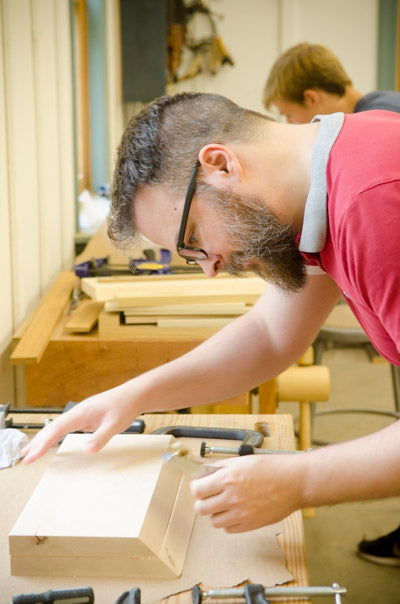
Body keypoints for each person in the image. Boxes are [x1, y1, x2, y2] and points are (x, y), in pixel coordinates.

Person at [22, 93, 400, 550]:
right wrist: (134, 396)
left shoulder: (371, 203)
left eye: (194, 238)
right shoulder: (319, 183)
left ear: (221, 165)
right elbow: (270, 334)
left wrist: (300, 480)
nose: (209, 267)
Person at [264, 43, 400, 567]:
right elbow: (271, 334)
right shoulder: (370, 121)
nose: (293, 124)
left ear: (314, 98)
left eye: (287, 113)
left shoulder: (369, 154)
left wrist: (299, 480)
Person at [262, 42, 400, 123]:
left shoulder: (378, 119)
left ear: (310, 98)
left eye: (288, 115)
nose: (290, 123)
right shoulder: (384, 106)